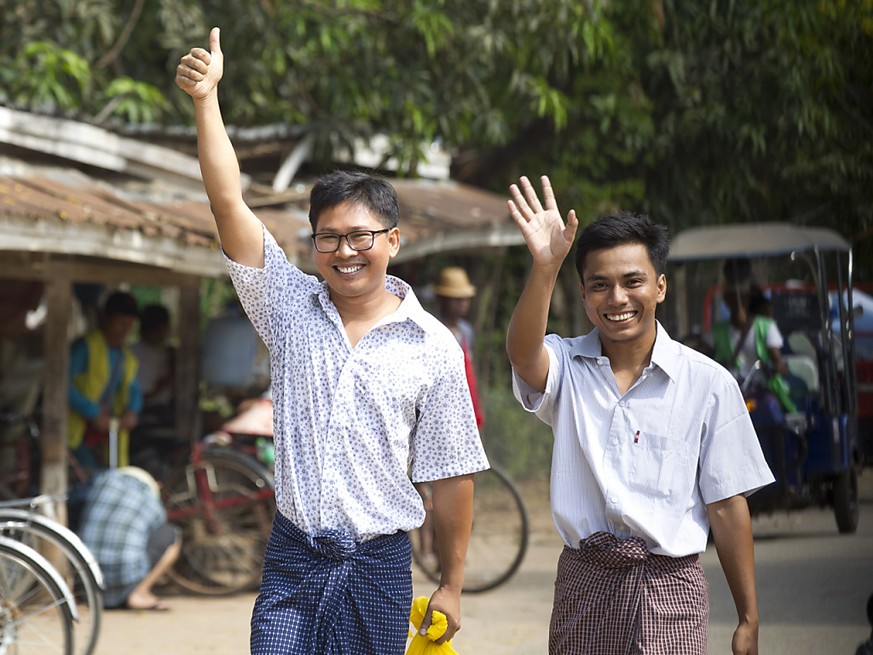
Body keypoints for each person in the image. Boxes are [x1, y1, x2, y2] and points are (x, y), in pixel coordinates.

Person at [175, 27, 489, 655]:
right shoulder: (288, 305)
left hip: (379, 568)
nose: (344, 251)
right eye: (328, 238)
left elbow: (453, 474)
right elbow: (227, 201)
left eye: (360, 237)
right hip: (293, 559)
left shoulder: (432, 345)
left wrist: (451, 584)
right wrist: (207, 101)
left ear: (393, 242)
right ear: (313, 243)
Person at [505, 175, 774, 655]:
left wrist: (748, 616)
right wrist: (545, 267)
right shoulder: (565, 364)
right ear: (584, 297)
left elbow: (728, 507)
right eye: (600, 286)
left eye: (633, 282)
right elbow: (524, 356)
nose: (618, 299)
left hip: (669, 590)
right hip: (584, 587)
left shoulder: (708, 384)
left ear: (661, 286)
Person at [76, 466, 181, 610]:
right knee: (172, 534)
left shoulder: (102, 481)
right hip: (125, 576)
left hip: (86, 575)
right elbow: (156, 526)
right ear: (157, 484)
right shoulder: (151, 501)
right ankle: (139, 594)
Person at [68, 290, 142, 474]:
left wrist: (132, 411)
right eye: (121, 322)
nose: (125, 328)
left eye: (129, 323)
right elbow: (61, 386)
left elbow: (133, 389)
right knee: (91, 476)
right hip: (76, 431)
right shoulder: (86, 347)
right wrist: (92, 412)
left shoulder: (126, 357)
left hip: (107, 433)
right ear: (105, 318)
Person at [711, 259, 796, 413]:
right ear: (726, 301)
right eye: (732, 298)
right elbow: (704, 354)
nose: (737, 302)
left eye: (742, 297)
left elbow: (777, 361)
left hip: (762, 388)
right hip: (730, 393)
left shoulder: (766, 327)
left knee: (770, 411)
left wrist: (776, 367)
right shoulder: (717, 332)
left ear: (749, 298)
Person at [432, 266, 484, 428]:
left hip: (462, 404)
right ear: (442, 299)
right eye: (457, 299)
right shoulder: (432, 330)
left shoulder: (466, 331)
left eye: (465, 299)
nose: (463, 304)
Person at [131, 303, 175, 429]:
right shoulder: (138, 354)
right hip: (148, 412)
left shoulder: (158, 353)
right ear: (160, 328)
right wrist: (170, 378)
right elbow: (145, 396)